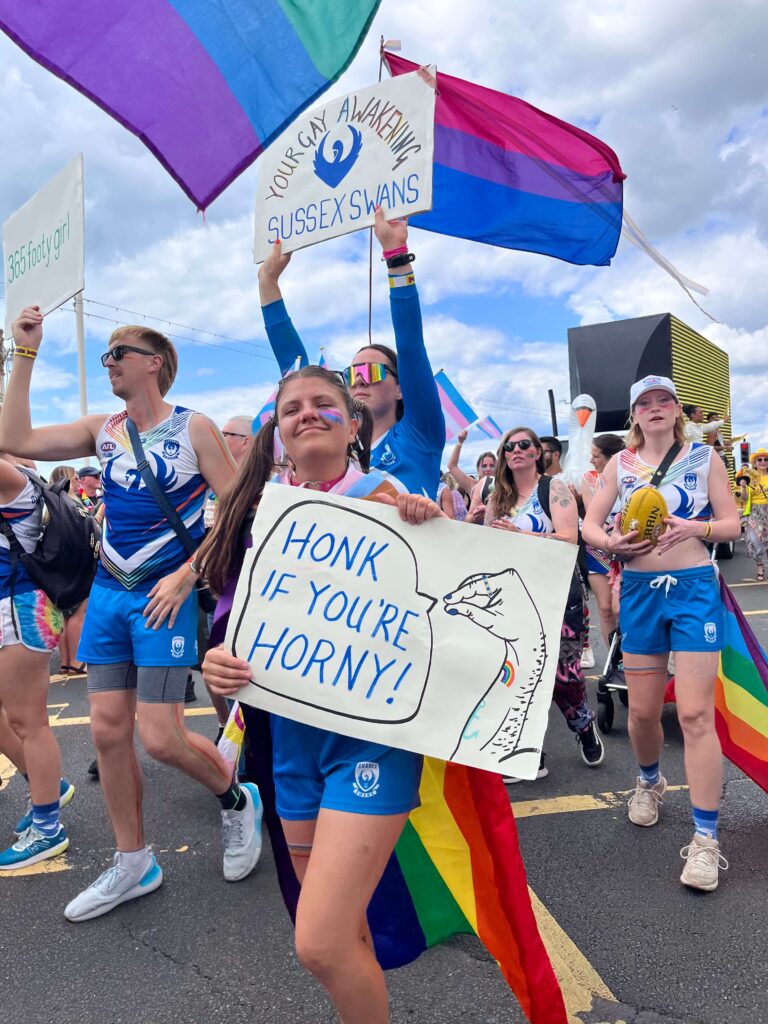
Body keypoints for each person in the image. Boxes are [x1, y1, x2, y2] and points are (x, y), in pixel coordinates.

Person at [200, 363, 443, 1024]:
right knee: (342, 934)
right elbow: (236, 616)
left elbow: (444, 606)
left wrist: (430, 525)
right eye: (291, 409)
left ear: (352, 422)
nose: (306, 414)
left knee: (317, 943)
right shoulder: (263, 511)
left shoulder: (386, 495)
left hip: (371, 744)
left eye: (322, 404)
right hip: (290, 752)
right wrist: (220, 659)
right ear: (275, 432)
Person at [0, 307, 263, 918]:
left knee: (162, 738)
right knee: (108, 732)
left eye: (120, 352)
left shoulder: (194, 427)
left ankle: (236, 798)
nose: (110, 361)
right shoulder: (103, 428)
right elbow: (14, 439)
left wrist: (188, 574)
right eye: (106, 354)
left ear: (156, 364)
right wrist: (26, 354)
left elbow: (237, 511)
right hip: (111, 597)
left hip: (163, 600)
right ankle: (133, 861)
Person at [583, 375, 740, 892]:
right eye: (644, 403)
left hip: (695, 589)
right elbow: (590, 525)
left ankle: (705, 841)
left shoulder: (705, 458)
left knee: (695, 714)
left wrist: (698, 528)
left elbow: (733, 523)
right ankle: (650, 781)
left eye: (663, 400)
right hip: (641, 593)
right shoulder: (619, 464)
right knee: (645, 713)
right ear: (633, 414)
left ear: (677, 410)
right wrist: (611, 542)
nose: (654, 408)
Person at [258, 207, 445, 498]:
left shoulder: (418, 435)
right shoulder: (335, 443)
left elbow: (410, 345)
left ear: (401, 388)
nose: (359, 381)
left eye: (372, 371)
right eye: (352, 373)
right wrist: (268, 282)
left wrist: (396, 254)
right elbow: (296, 372)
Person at [482, 427, 605, 778]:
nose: (516, 450)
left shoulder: (553, 488)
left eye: (524, 445)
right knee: (519, 676)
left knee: (563, 676)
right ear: (504, 454)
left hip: (557, 595)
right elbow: (486, 544)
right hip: (514, 600)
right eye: (510, 446)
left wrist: (523, 536)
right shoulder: (496, 496)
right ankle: (529, 753)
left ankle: (583, 726)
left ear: (538, 452)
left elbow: (569, 538)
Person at [0, 452, 72, 868]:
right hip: (13, 608)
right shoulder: (19, 475)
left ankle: (48, 828)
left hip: (19, 611)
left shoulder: (12, 476)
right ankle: (48, 786)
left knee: (29, 722)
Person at [581, 434, 626, 648]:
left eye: (596, 456)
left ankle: (632, 654)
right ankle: (613, 660)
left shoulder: (630, 473)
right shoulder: (589, 479)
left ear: (611, 457)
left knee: (621, 608)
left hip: (627, 546)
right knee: (606, 608)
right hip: (599, 548)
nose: (592, 460)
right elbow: (593, 516)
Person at [740, 448, 768, 582]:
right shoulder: (750, 479)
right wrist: (744, 487)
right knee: (754, 542)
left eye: (765, 459)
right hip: (755, 513)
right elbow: (744, 499)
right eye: (760, 459)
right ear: (755, 463)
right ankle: (759, 565)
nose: (763, 462)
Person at [447, 429, 496, 495]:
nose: (488, 469)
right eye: (484, 466)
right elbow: (452, 466)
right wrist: (460, 442)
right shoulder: (471, 484)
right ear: (478, 469)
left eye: (492, 466)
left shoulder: (503, 486)